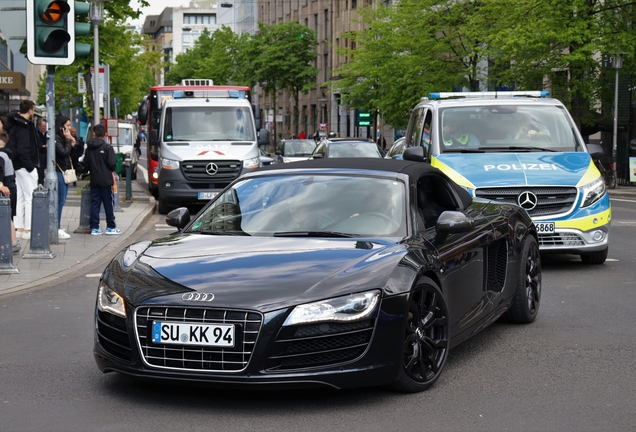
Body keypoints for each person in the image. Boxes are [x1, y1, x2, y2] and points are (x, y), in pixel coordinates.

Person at [4, 100, 39, 240]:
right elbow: (24, 148)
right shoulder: (24, 126)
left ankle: (19, 227)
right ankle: (28, 229)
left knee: (19, 197)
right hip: (24, 166)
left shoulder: (13, 123)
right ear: (30, 110)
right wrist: (30, 166)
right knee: (30, 196)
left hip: (15, 165)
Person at [85, 124, 120, 236]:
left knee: (95, 203)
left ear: (94, 133)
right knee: (108, 203)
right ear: (105, 134)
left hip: (94, 179)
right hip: (106, 180)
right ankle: (110, 226)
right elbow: (112, 164)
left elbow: (86, 165)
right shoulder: (107, 147)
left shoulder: (89, 148)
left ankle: (94, 227)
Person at [54, 116, 75, 240]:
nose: (69, 128)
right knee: (60, 201)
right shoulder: (57, 139)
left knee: (62, 200)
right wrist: (67, 141)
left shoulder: (62, 138)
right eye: (67, 125)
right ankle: (55, 227)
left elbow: (70, 154)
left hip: (64, 171)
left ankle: (57, 225)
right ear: (61, 126)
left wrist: (71, 143)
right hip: (59, 172)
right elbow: (63, 153)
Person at [0, 131, 20, 253]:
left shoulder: (1, 156)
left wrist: (1, 185)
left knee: (6, 216)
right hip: (11, 186)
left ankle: (12, 242)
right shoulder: (6, 154)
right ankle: (13, 242)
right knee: (8, 215)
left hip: (6, 188)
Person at [36, 120, 48, 185]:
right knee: (40, 169)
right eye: (42, 126)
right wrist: (41, 146)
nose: (44, 128)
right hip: (40, 153)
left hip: (46, 153)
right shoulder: (37, 133)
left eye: (45, 126)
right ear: (39, 126)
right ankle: (40, 182)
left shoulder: (47, 133)